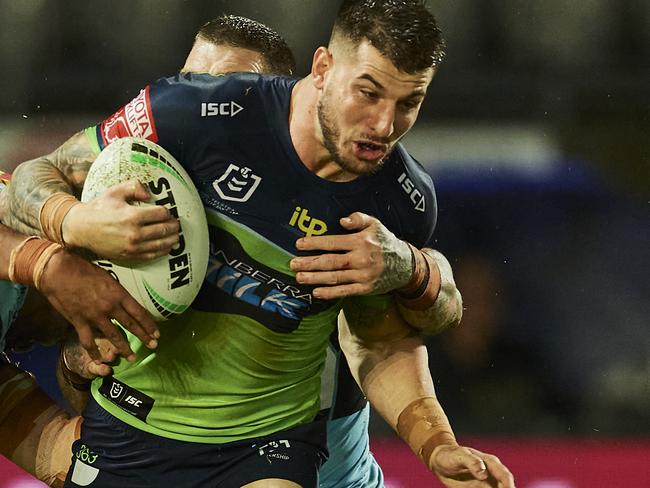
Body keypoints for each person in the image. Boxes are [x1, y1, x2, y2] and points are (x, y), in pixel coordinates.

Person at [5, 4, 514, 488]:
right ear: (323, 67)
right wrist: (74, 221)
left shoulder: (400, 202)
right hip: (135, 423)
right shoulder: (190, 115)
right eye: (368, 93)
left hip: (272, 441)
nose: (384, 126)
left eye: (409, 103)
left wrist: (437, 444)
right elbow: (35, 176)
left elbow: (382, 338)